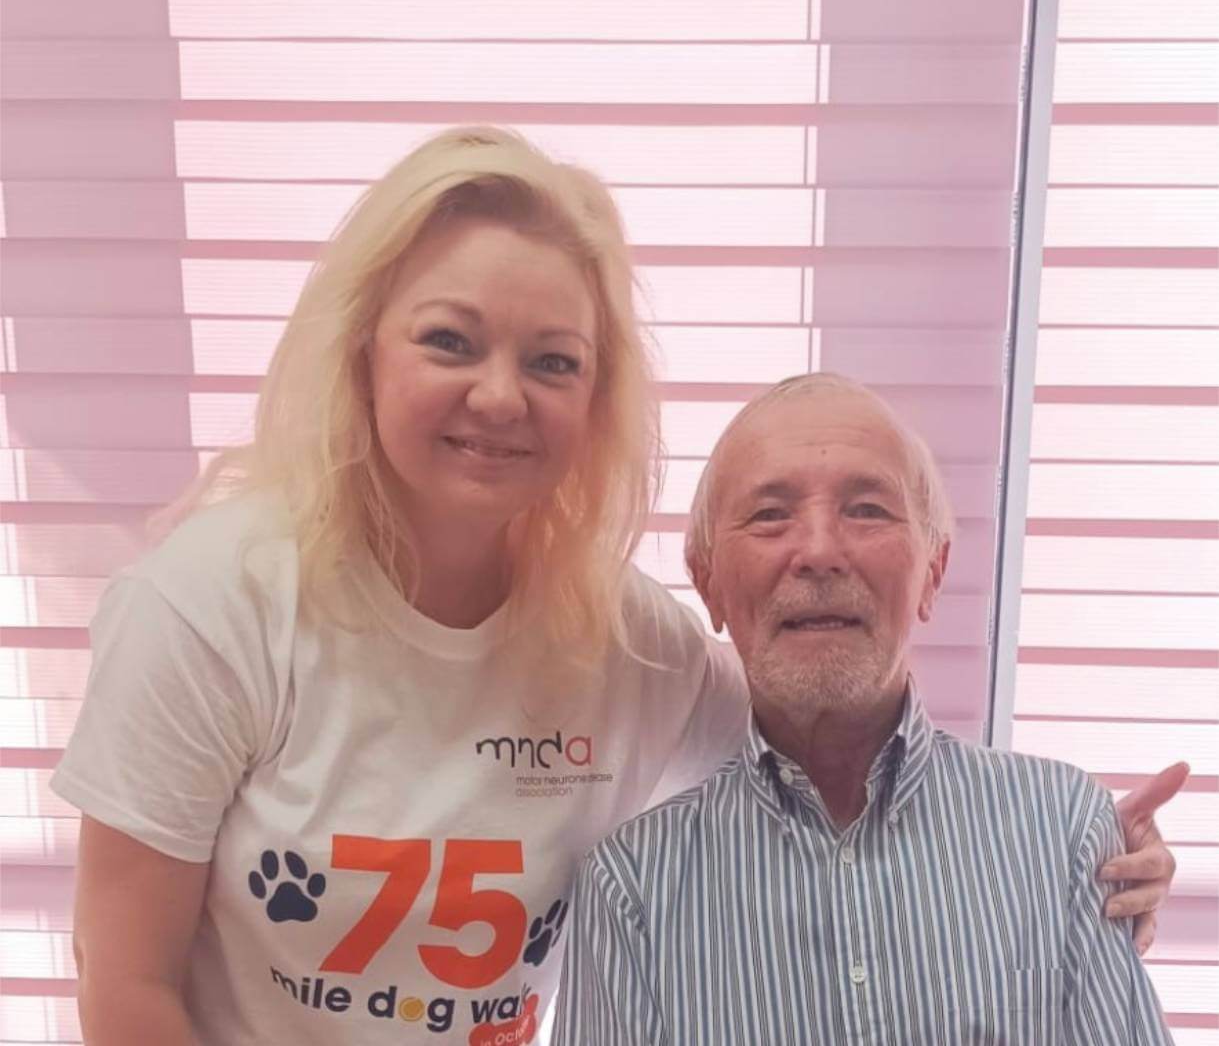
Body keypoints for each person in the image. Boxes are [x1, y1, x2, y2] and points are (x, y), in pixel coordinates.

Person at [52, 131, 1178, 1045]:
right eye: (449, 341)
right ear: (363, 353)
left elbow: (830, 712)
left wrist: (1074, 855)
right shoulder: (213, 606)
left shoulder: (619, 641)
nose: (501, 397)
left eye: (553, 361)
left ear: (595, 399)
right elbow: (123, 980)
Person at [554, 374, 1179, 1046]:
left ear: (933, 572)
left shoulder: (1062, 833)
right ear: (707, 582)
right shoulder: (632, 886)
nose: (820, 552)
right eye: (769, 515)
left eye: (867, 510)